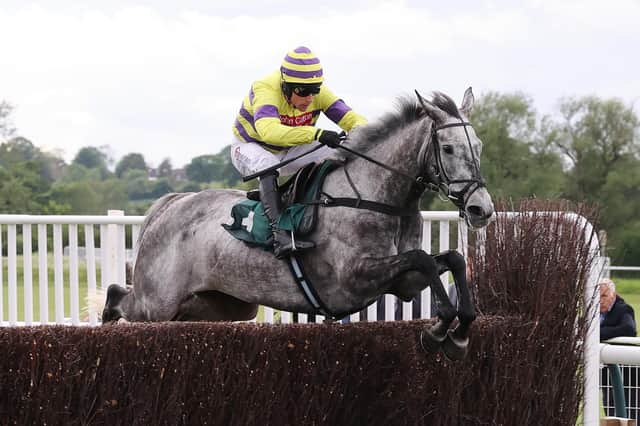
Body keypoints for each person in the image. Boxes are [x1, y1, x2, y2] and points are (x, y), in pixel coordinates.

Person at [230, 46, 367, 258]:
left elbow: (354, 121)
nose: (309, 98)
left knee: (340, 151)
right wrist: (317, 133)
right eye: (302, 92)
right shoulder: (265, 88)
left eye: (314, 90)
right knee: (267, 164)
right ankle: (280, 235)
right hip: (250, 147)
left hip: (290, 149)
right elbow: (269, 132)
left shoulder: (317, 94)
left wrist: (366, 135)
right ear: (285, 86)